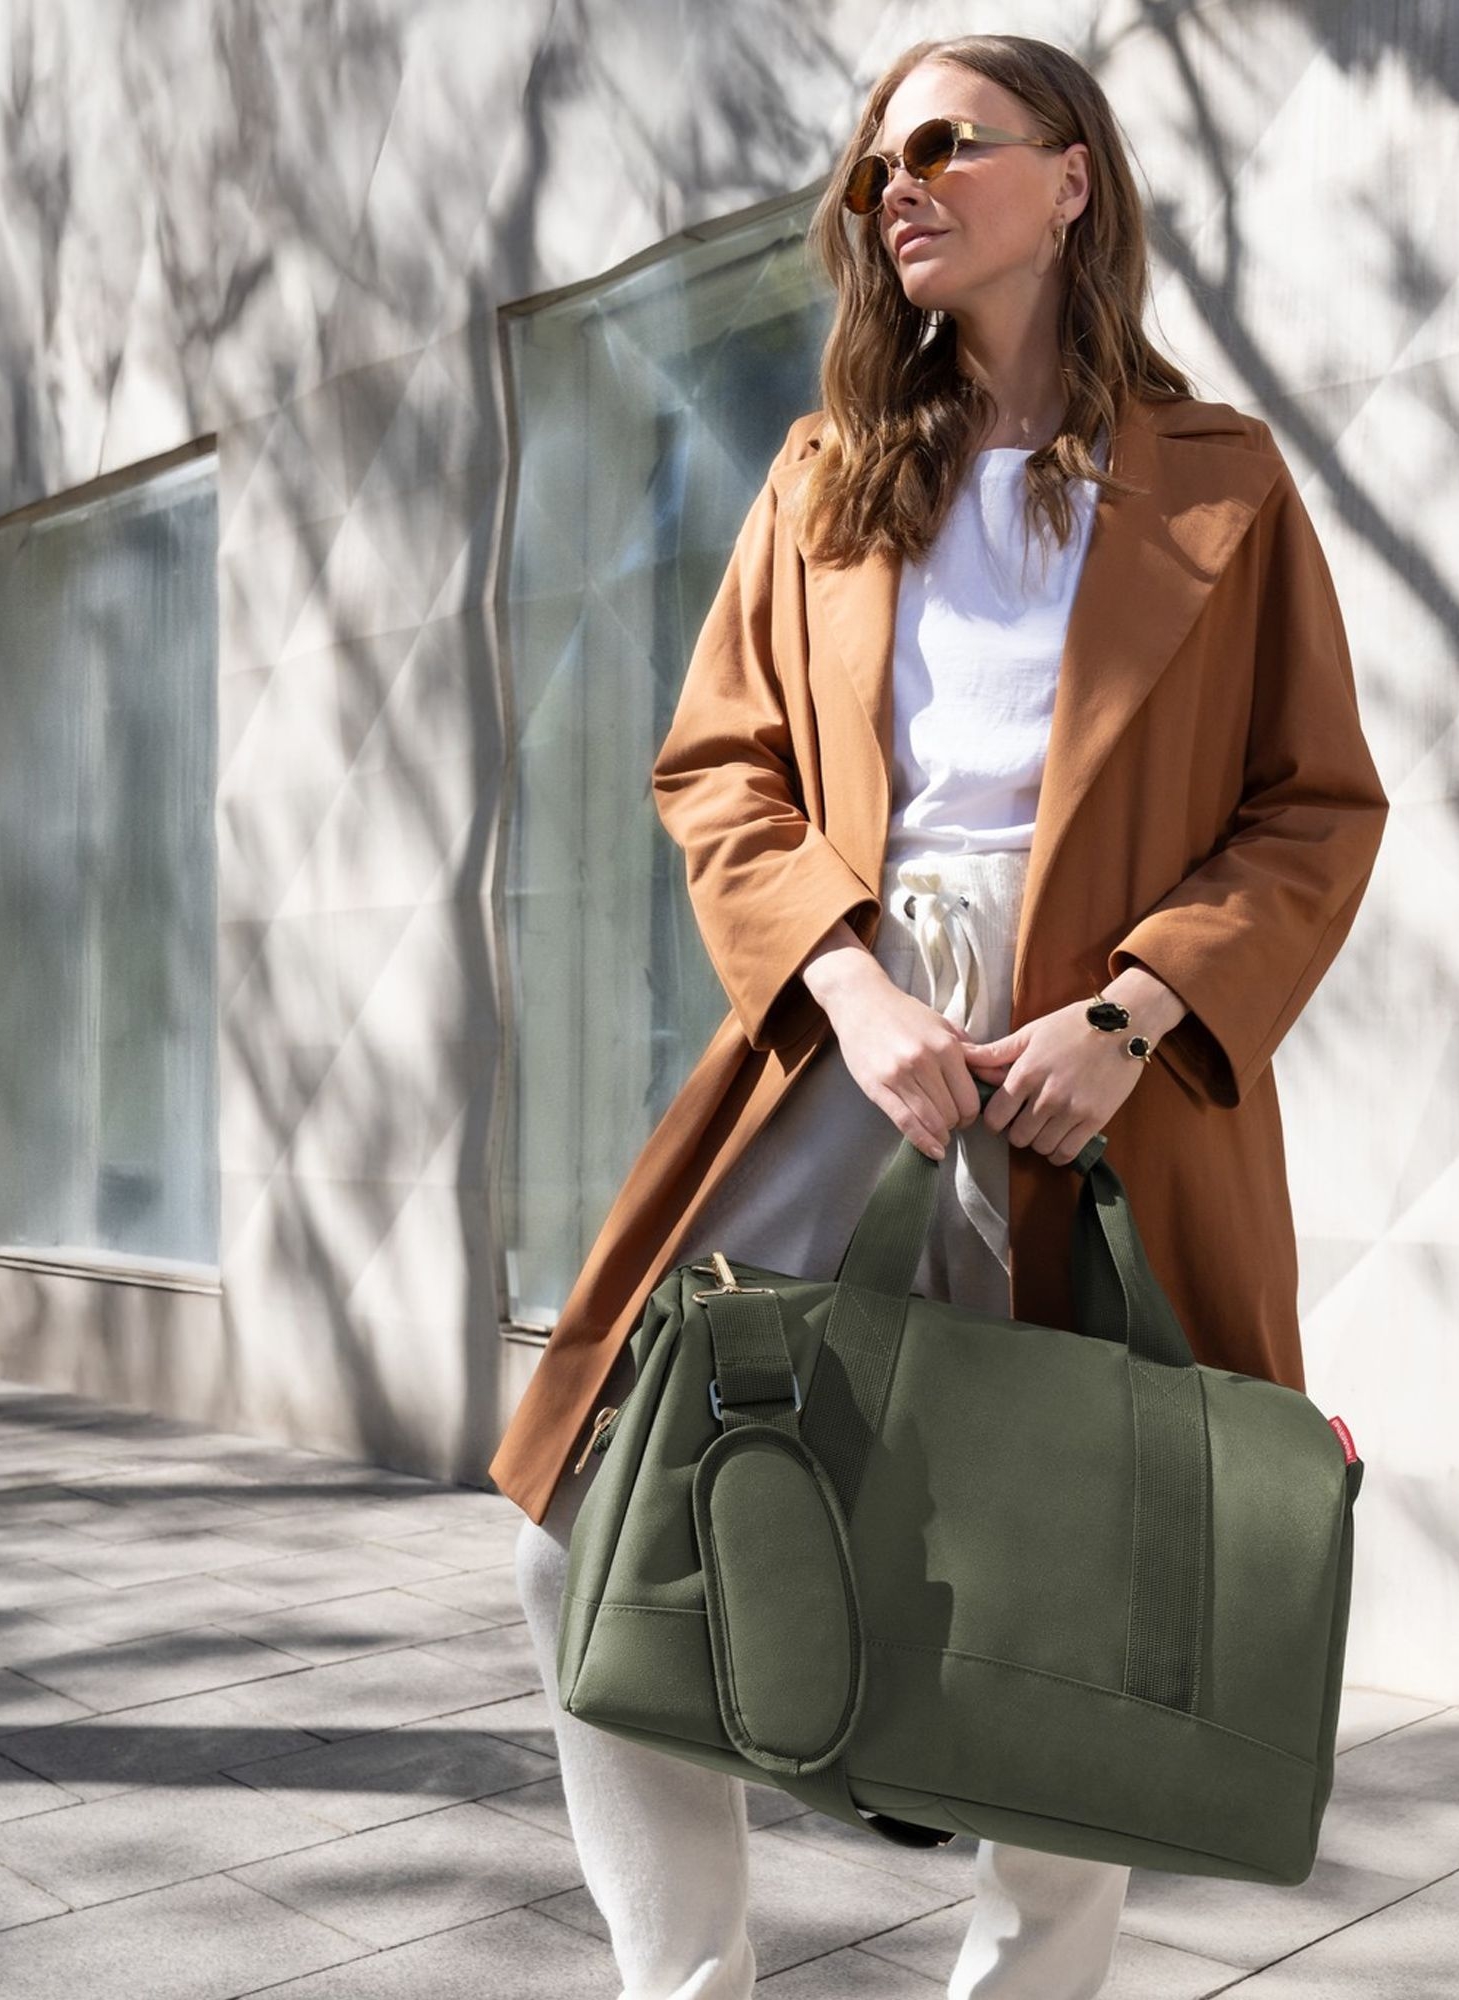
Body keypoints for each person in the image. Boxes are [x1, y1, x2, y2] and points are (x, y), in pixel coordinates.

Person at [506, 30, 1389, 2000]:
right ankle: (689, 1977)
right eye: (872, 164)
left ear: (1070, 180)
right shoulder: (823, 487)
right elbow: (719, 772)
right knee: (583, 1507)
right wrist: (843, 982)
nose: (892, 184)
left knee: (1065, 1565)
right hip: (842, 1039)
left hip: (1102, 1073)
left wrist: (1139, 1008)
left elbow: (1316, 805)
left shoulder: (1223, 487)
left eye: (942, 145)